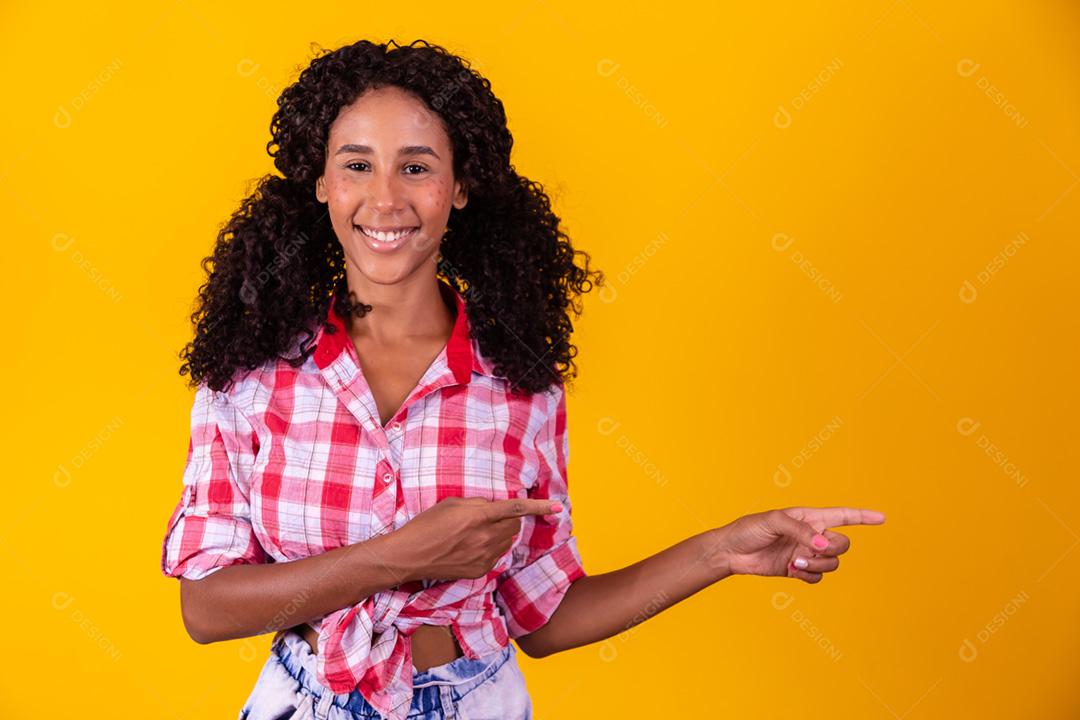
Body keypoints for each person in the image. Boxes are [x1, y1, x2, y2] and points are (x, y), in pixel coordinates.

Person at [160, 38, 887, 720]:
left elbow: (544, 613)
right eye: (356, 164)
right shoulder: (254, 370)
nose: (384, 199)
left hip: (476, 697)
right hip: (301, 699)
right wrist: (398, 557)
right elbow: (207, 609)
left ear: (460, 188)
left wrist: (721, 552)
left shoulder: (518, 383)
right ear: (320, 183)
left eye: (416, 166)